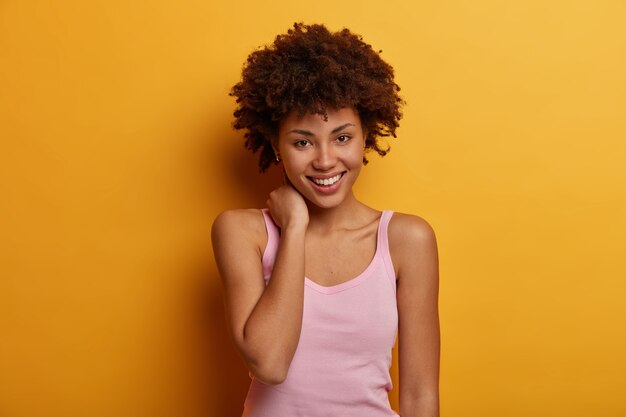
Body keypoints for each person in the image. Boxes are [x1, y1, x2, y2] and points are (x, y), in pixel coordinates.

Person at [212, 23, 440, 417]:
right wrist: (295, 228)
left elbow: (420, 396)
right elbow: (269, 363)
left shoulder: (406, 239)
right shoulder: (243, 232)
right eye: (302, 142)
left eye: (342, 137)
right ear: (275, 145)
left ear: (366, 135)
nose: (324, 160)